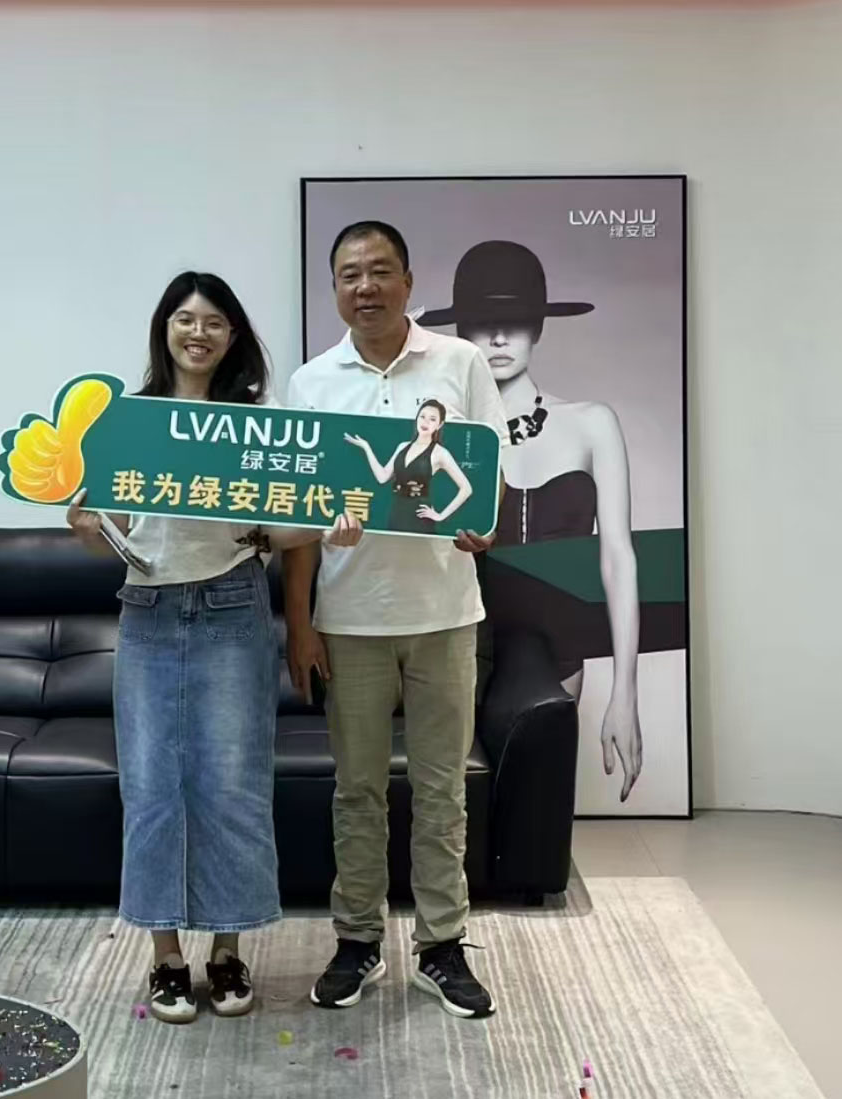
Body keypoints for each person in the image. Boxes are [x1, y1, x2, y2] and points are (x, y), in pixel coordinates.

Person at [65, 271, 362, 1024]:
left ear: (232, 337)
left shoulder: (256, 423)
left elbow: (279, 530)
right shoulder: (128, 420)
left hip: (232, 605)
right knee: (151, 786)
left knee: (233, 783)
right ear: (164, 327)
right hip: (148, 611)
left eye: (214, 322)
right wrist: (87, 529)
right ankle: (165, 957)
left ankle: (228, 951)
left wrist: (330, 523)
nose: (198, 333)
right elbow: (115, 534)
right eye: (185, 319)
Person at [284, 222, 509, 1020]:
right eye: (350, 274)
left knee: (443, 789)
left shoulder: (460, 362)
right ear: (335, 289)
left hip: (445, 614)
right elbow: (299, 517)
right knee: (357, 791)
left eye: (380, 271)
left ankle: (442, 944)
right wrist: (301, 624)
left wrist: (483, 523)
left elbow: (489, 473)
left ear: (409, 281)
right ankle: (357, 938)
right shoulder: (312, 382)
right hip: (351, 617)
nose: (366, 286)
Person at [419, 239, 643, 801]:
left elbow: (617, 558)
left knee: (532, 804)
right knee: (448, 800)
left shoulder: (591, 424)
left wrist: (626, 691)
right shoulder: (437, 431)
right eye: (480, 322)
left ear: (539, 327)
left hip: (556, 656)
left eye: (515, 321)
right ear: (459, 330)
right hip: (453, 640)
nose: (498, 337)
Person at [344, 399, 473, 535]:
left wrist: (441, 515)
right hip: (396, 510)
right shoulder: (402, 446)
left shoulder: (440, 453)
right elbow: (382, 477)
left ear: (440, 424)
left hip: (420, 515)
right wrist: (366, 448)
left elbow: (466, 488)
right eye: (422, 416)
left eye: (432, 419)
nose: (425, 422)